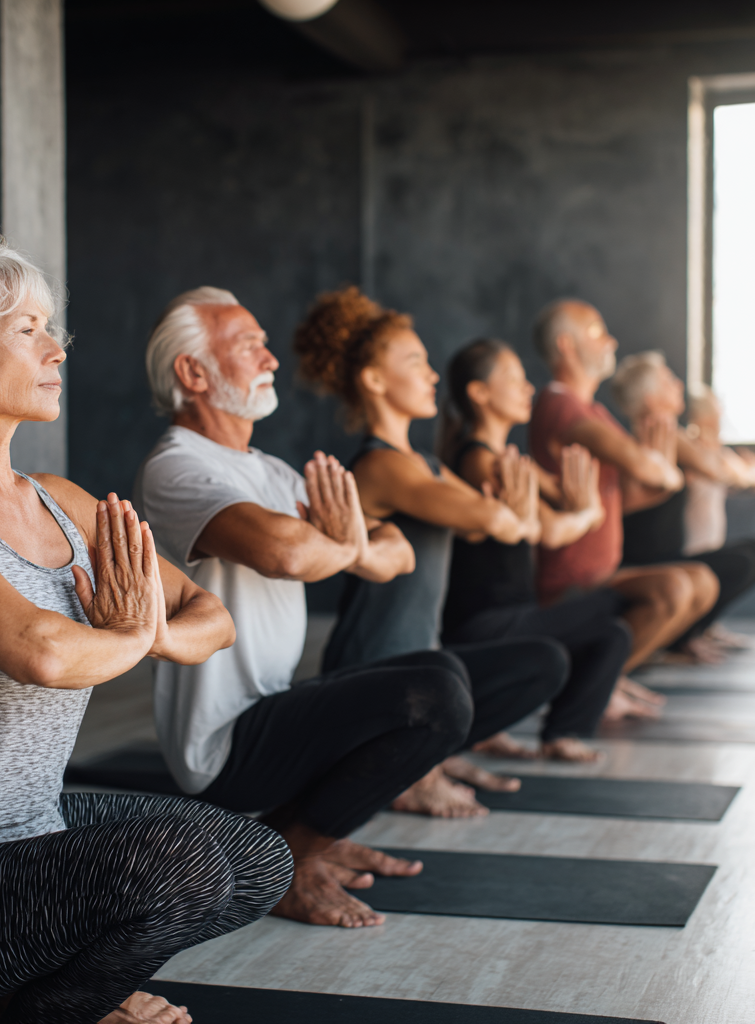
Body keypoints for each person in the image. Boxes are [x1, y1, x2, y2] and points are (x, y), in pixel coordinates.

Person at [0, 228, 291, 1024]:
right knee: (180, 863)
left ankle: (50, 995)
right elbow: (40, 652)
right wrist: (135, 635)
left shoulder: (63, 502)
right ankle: (64, 1011)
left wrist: (146, 631)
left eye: (51, 328)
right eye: (28, 329)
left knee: (256, 857)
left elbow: (211, 618)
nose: (57, 348)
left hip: (26, 836)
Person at [135, 286, 476, 930]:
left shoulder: (272, 472)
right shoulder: (175, 466)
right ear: (193, 373)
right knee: (434, 696)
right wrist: (350, 545)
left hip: (275, 708)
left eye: (266, 344)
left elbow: (397, 551)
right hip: (223, 746)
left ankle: (302, 835)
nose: (270, 360)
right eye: (249, 346)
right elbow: (285, 552)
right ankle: (292, 856)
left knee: (444, 672)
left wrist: (344, 545)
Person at [291, 286, 570, 793]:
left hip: (425, 664)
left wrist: (511, 515)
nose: (432, 375)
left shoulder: (428, 465)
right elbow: (493, 519)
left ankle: (429, 755)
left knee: (542, 663)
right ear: (374, 380)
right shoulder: (381, 465)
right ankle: (408, 771)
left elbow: (499, 524)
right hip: (370, 669)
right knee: (458, 680)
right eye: (415, 362)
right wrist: (509, 514)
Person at [438, 338, 632, 759]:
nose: (528, 388)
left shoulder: (509, 460)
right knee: (613, 610)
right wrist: (589, 511)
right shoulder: (480, 460)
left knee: (610, 634)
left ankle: (556, 733)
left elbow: (562, 496)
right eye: (513, 379)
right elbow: (554, 530)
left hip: (516, 614)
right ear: (479, 393)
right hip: (483, 624)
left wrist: (583, 501)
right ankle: (551, 732)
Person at [529, 299, 718, 710]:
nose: (610, 341)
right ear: (566, 346)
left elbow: (628, 495)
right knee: (673, 588)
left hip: (605, 571)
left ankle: (607, 679)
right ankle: (592, 688)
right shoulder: (559, 404)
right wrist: (660, 468)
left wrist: (665, 474)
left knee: (703, 582)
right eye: (596, 332)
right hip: (569, 584)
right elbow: (638, 462)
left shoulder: (595, 410)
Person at [611, 354, 755, 659]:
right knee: (745, 558)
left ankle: (689, 633)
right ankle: (681, 637)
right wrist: (754, 472)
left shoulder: (665, 436)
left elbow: (719, 467)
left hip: (664, 556)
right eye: (667, 381)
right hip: (645, 562)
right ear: (650, 398)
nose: (677, 385)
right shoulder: (665, 436)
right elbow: (716, 469)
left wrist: (748, 473)